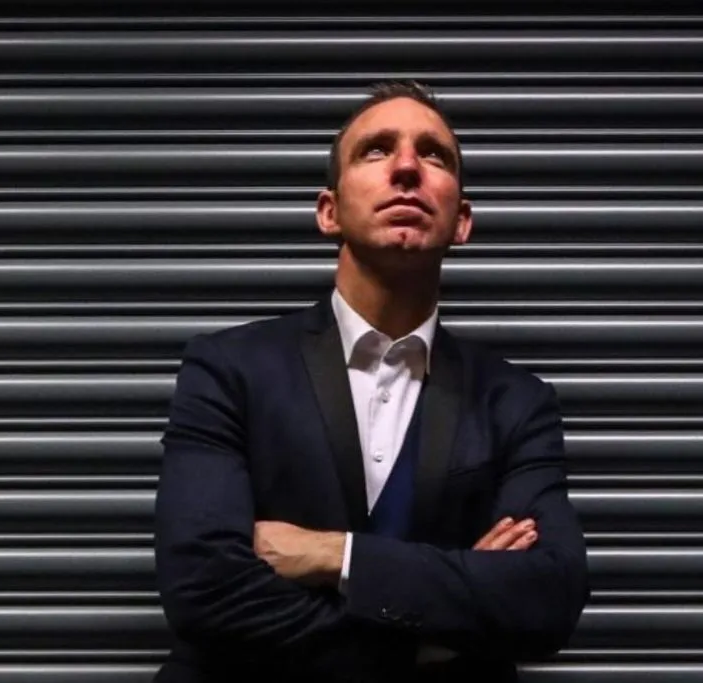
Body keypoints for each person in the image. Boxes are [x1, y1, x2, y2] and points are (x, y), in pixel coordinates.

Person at [153, 80, 589, 683]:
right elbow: (202, 587)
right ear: (329, 211)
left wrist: (336, 555)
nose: (408, 167)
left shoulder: (516, 402)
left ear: (461, 222)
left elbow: (548, 596)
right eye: (377, 150)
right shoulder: (228, 369)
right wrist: (430, 638)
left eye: (434, 155)